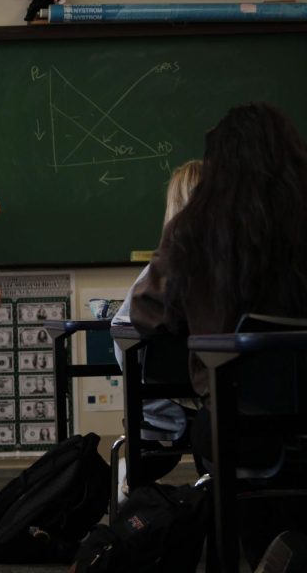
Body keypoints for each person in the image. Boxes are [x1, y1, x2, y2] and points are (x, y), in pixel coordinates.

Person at [130, 103, 307, 562]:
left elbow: (146, 312)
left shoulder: (196, 228)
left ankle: (252, 553)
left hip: (239, 421)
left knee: (217, 436)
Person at [112, 160, 203, 442]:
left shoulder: (156, 274)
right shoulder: (244, 270)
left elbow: (122, 337)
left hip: (165, 409)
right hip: (230, 406)